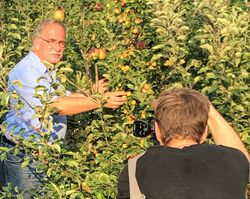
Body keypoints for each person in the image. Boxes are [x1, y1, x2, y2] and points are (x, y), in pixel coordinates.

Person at [0, 19, 126, 195]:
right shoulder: (26, 71)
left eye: (61, 43)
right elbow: (55, 105)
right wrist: (100, 101)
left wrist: (93, 93)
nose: (58, 48)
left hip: (45, 156)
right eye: (51, 42)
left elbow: (65, 97)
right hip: (24, 156)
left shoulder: (48, 70)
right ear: (37, 43)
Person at [117, 88, 249, 199]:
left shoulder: (133, 169)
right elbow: (242, 158)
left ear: (157, 131)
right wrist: (209, 110)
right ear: (204, 132)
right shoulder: (233, 160)